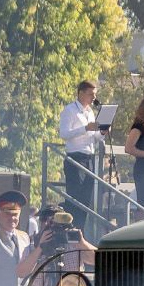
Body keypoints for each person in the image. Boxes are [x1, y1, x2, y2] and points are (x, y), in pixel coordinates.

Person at [58, 80, 104, 233]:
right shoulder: (69, 110)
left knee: (86, 199)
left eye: (95, 94)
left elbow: (93, 137)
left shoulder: (90, 112)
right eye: (91, 94)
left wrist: (101, 133)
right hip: (75, 157)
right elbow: (64, 134)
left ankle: (80, 232)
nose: (93, 97)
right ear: (81, 93)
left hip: (89, 157)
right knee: (74, 198)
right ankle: (70, 231)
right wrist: (85, 128)